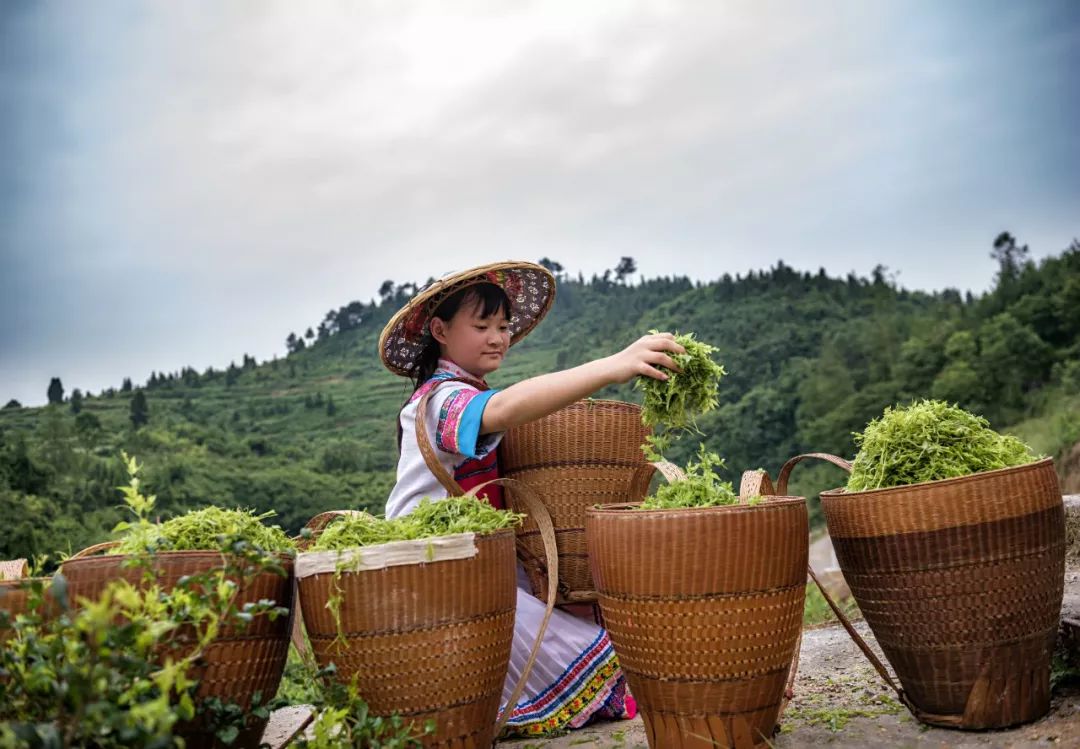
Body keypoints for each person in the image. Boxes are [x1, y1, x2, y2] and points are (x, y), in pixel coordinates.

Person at [378, 261, 683, 737]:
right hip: (432, 566)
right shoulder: (439, 399)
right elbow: (502, 408)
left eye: (502, 326)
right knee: (592, 659)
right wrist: (611, 367)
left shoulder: (464, 391)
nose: (497, 337)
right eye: (481, 326)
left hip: (474, 555)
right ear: (439, 330)